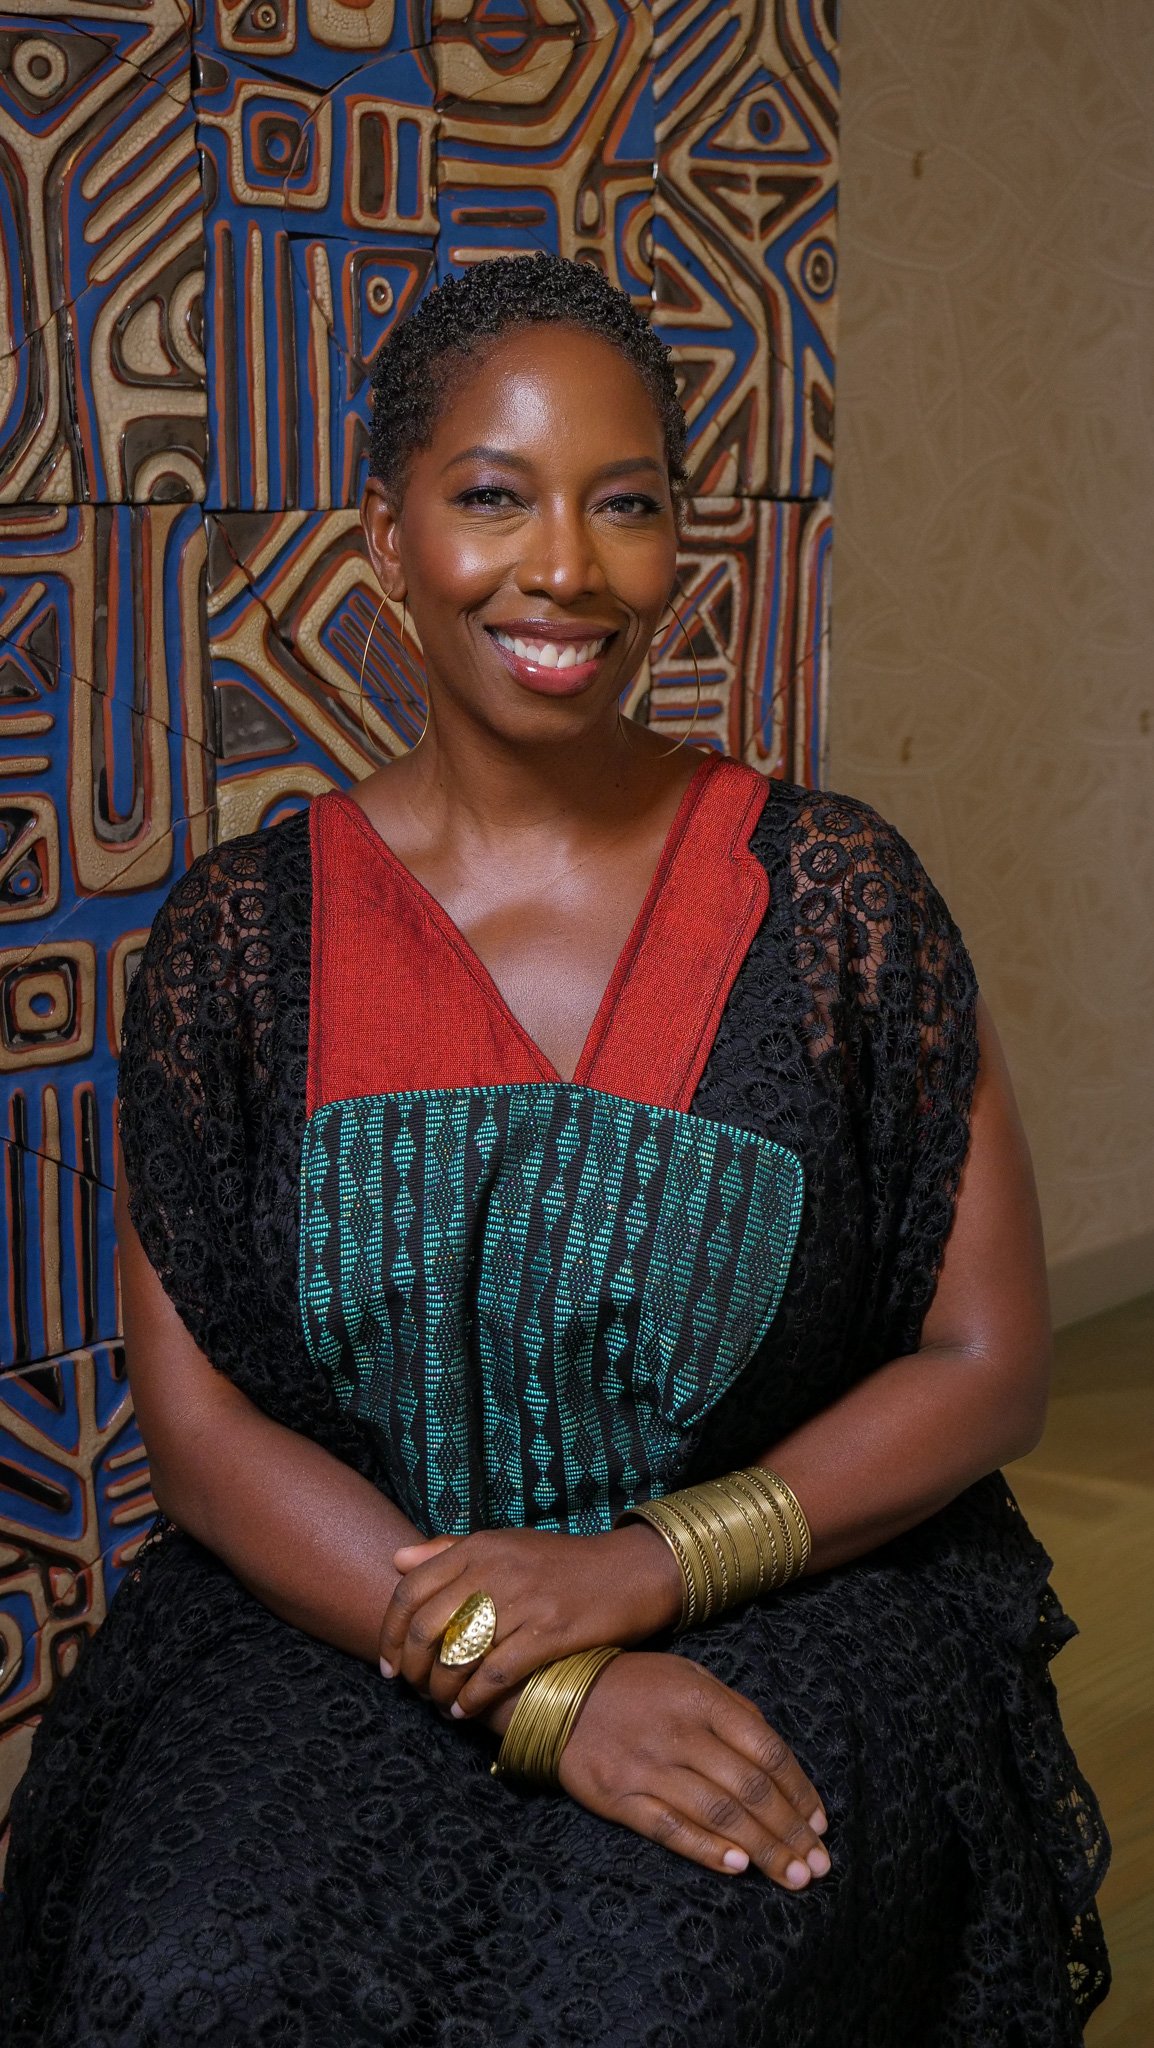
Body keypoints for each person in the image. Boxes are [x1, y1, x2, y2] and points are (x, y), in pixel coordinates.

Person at [0, 255, 1110, 2047]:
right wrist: (543, 1692)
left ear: (683, 544)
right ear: (385, 534)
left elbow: (987, 1365)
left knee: (652, 1998)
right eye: (493, 497)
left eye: (627, 506)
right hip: (350, 1597)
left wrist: (641, 1573)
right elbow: (201, 1435)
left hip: (776, 1592)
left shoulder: (832, 905)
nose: (565, 570)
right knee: (179, 1985)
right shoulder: (239, 942)